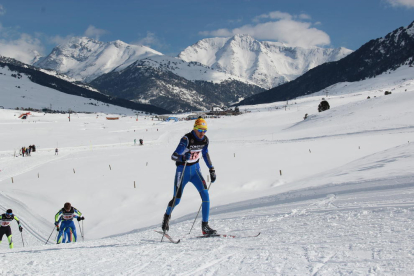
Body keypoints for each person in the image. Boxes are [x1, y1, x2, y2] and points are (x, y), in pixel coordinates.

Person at [161, 117, 217, 235]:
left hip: (196, 170)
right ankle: (166, 216)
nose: (202, 133)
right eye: (200, 130)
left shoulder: (205, 140)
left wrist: (211, 169)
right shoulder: (187, 139)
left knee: (206, 196)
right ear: (195, 129)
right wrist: (182, 157)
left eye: (205, 130)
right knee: (176, 200)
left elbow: (205, 155)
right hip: (183, 170)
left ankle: (205, 227)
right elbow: (173, 156)